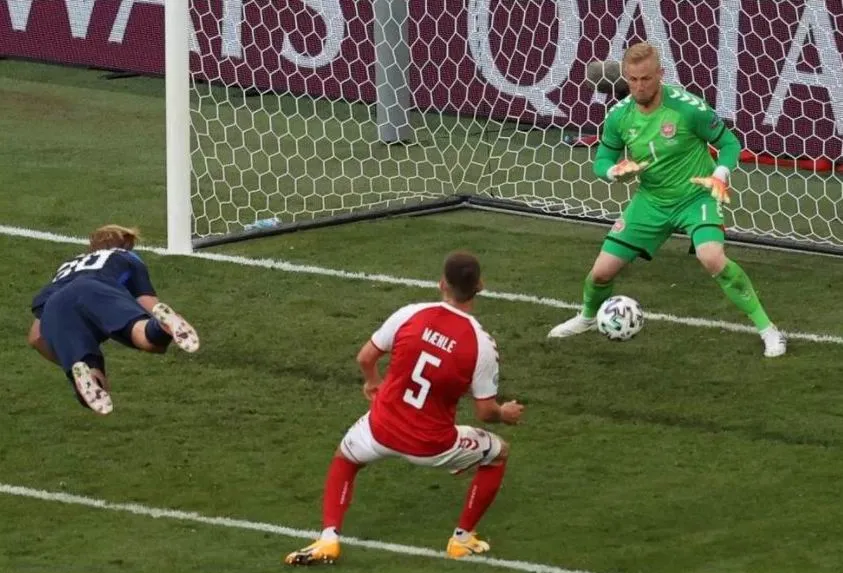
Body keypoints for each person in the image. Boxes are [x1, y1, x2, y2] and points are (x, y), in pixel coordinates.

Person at [285, 251, 524, 565]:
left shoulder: (410, 313)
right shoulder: (482, 345)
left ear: (442, 283)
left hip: (380, 429)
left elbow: (365, 358)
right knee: (498, 452)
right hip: (432, 445)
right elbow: (485, 412)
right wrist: (504, 413)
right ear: (480, 285)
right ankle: (462, 539)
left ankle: (328, 537)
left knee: (345, 458)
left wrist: (373, 382)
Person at [548, 42, 786, 357]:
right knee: (601, 273)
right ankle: (588, 317)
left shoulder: (688, 108)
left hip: (696, 196)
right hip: (651, 201)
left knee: (712, 258)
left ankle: (769, 330)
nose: (639, 86)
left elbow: (729, 144)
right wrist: (614, 172)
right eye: (633, 79)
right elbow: (602, 160)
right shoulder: (619, 116)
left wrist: (721, 174)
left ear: (660, 74)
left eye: (646, 79)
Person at [27, 224, 200, 415]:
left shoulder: (67, 265)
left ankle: (85, 372)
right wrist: (158, 319)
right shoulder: (125, 257)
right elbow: (148, 303)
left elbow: (36, 337)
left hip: (55, 304)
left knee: (90, 375)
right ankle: (162, 325)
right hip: (94, 289)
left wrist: (66, 357)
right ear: (125, 244)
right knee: (148, 338)